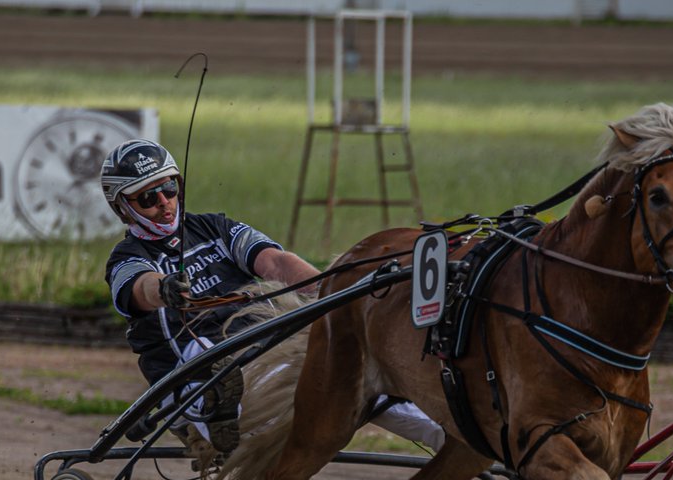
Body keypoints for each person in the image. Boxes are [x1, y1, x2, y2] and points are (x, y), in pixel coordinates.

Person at [100, 139, 444, 458]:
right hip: (188, 363)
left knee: (350, 369)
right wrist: (163, 288)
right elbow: (140, 288)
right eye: (148, 198)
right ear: (122, 208)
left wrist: (337, 293)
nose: (164, 203)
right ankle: (213, 416)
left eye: (169, 188)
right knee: (220, 370)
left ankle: (446, 433)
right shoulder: (127, 258)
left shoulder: (215, 228)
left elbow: (275, 262)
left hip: (260, 344)